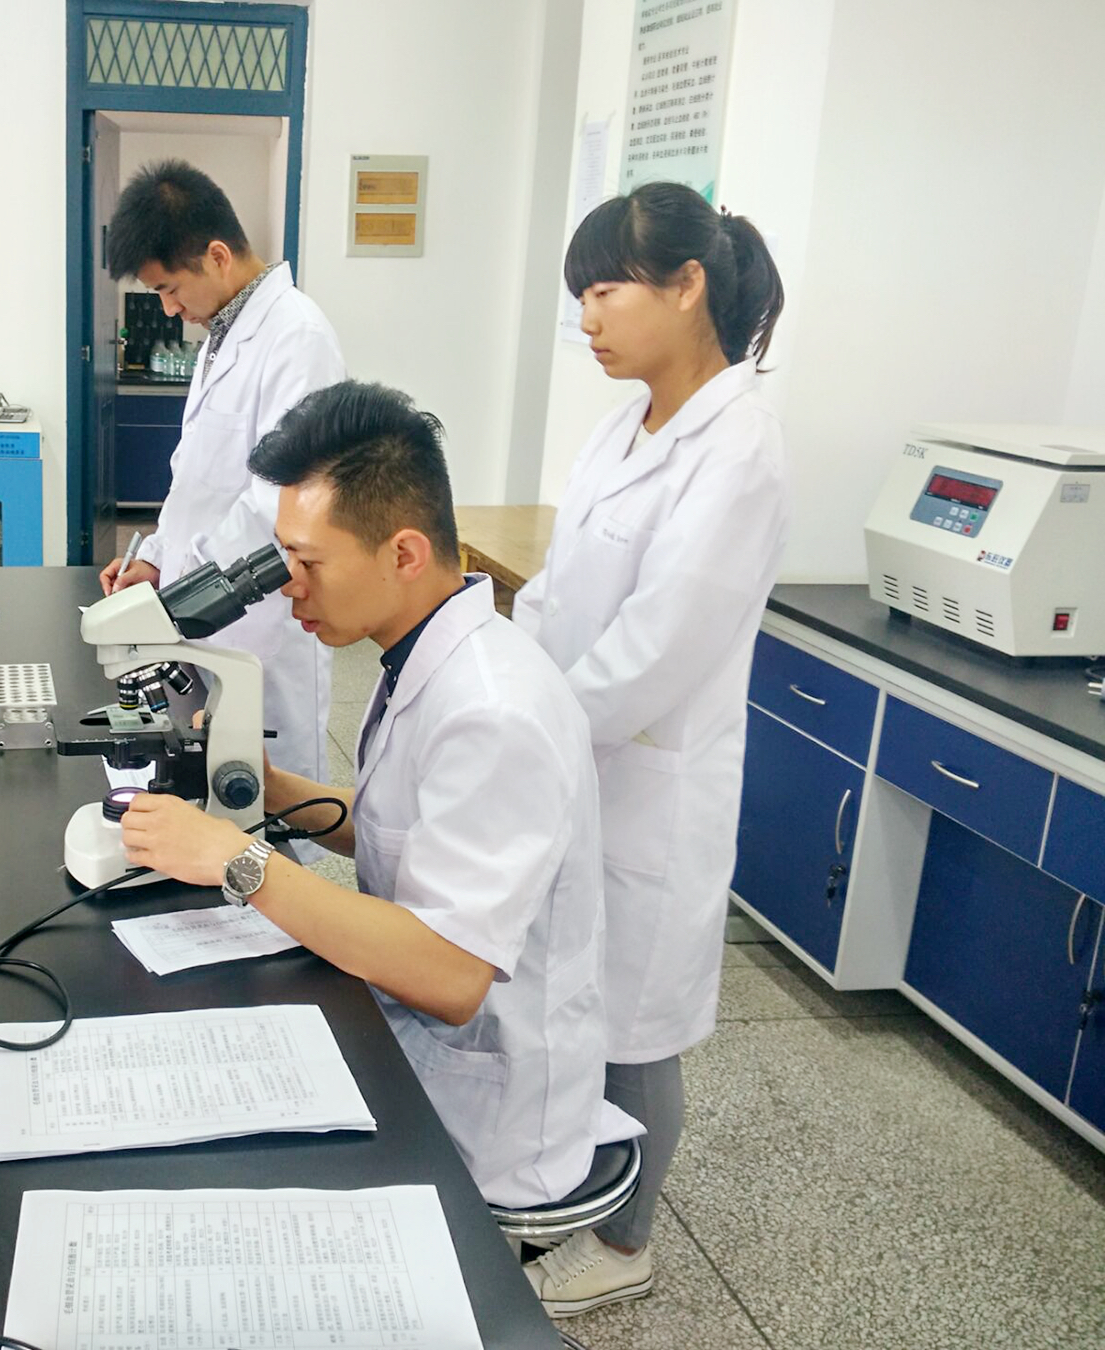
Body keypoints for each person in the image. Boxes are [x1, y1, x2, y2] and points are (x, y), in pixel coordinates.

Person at [117, 380, 620, 1211]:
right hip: (407, 1033)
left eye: (308, 563)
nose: (288, 586)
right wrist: (276, 792)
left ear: (404, 554)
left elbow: (451, 973)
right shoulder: (425, 652)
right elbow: (402, 825)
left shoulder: (495, 711)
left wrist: (238, 861)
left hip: (479, 1111)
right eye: (282, 559)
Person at [511, 181, 790, 1316]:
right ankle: (563, 1192)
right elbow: (557, 591)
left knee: (633, 1027)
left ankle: (625, 1244)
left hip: (648, 786)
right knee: (568, 998)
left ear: (687, 287)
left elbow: (658, 647)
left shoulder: (741, 449)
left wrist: (535, 731)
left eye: (606, 291)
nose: (586, 317)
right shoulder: (621, 424)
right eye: (580, 295)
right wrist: (509, 684)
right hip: (574, 754)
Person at [100, 160, 344, 782]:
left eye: (170, 289)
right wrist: (156, 558)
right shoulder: (220, 335)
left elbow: (277, 501)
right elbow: (195, 478)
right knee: (208, 778)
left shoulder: (298, 338)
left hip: (261, 620)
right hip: (203, 606)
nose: (168, 309)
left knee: (273, 798)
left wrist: (179, 584)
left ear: (216, 256)